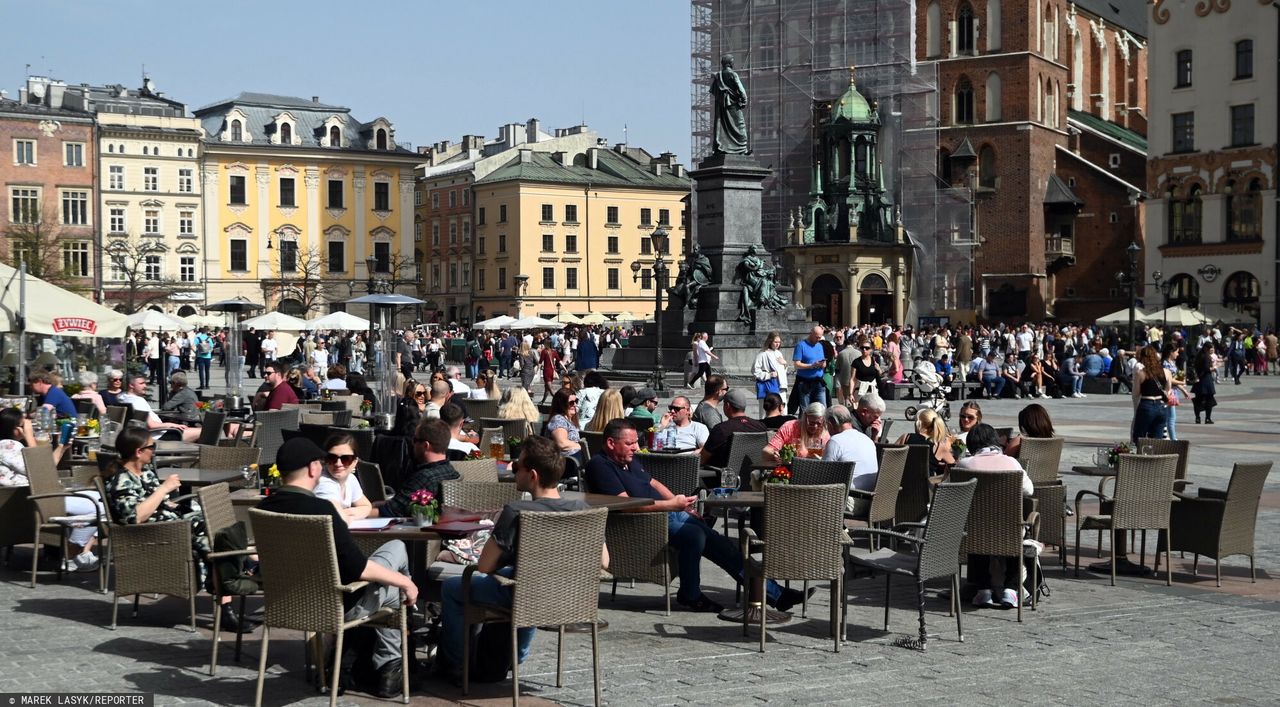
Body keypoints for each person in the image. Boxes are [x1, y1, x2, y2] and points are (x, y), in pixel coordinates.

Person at [586, 419, 807, 613]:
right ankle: (692, 594)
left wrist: (680, 505)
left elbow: (653, 482)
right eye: (629, 443)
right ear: (610, 443)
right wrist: (671, 505)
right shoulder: (600, 466)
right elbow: (626, 507)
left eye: (636, 442)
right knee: (695, 536)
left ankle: (773, 594)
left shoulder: (627, 460)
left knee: (720, 542)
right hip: (641, 522)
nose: (635, 448)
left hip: (665, 513)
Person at [256, 437, 415, 696]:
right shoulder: (323, 510)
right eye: (322, 461)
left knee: (393, 573)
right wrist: (405, 582)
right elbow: (360, 570)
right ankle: (388, 668)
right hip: (339, 605)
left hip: (285, 603)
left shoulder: (264, 508)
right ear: (312, 468)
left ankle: (348, 665)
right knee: (396, 570)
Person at [438, 435, 604, 681]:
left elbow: (484, 566)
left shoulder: (517, 511)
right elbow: (604, 562)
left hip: (523, 593)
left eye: (518, 467)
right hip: (569, 597)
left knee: (453, 587)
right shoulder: (585, 511)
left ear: (533, 475)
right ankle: (515, 657)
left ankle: (455, 664)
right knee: (527, 580)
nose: (514, 471)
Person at [105, 426, 239, 623]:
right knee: (214, 538)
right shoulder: (121, 481)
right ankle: (233, 589)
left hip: (171, 526)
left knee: (218, 524)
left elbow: (154, 503)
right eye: (152, 446)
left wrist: (168, 502)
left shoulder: (145, 472)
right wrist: (164, 489)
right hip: (157, 538)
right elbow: (135, 517)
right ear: (138, 452)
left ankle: (228, 594)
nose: (155, 450)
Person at [0, 408, 94, 568]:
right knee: (96, 505)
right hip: (34, 504)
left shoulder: (11, 446)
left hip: (31, 501)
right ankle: (74, 553)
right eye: (25, 425)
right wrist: (30, 437)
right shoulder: (7, 446)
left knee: (97, 501)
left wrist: (61, 447)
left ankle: (80, 551)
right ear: (16, 430)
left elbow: (46, 468)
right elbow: (40, 471)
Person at [954, 423, 1033, 609]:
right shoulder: (1011, 463)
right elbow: (1029, 490)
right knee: (1014, 526)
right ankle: (1011, 590)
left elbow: (952, 494)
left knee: (975, 525)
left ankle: (983, 590)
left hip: (974, 533)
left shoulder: (965, 464)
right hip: (1009, 531)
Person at [382, 418, 460, 517]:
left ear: (425, 445)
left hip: (408, 530)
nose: (412, 444)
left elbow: (391, 511)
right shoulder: (451, 471)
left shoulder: (425, 478)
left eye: (415, 440)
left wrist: (363, 510)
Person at [821, 404, 880, 513]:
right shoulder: (867, 440)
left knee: (807, 497)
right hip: (873, 501)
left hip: (850, 501)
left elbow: (824, 476)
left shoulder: (836, 441)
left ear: (831, 423)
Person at [117, 374, 201, 442]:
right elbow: (152, 425)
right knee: (203, 432)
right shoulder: (138, 401)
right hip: (158, 437)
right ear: (131, 385)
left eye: (145, 383)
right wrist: (172, 425)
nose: (145, 386)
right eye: (141, 383)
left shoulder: (122, 397)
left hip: (144, 436)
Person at [700, 388, 767, 470]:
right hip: (754, 477)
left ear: (727, 406)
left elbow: (702, 459)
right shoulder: (760, 427)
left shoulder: (721, 430)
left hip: (723, 478)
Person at [315, 432, 373, 522]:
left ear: (355, 462)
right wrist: (353, 514)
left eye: (345, 459)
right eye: (332, 458)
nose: (338, 464)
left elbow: (367, 507)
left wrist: (346, 513)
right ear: (325, 459)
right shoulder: (323, 482)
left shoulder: (350, 479)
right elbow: (337, 518)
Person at [894, 407, 955, 476]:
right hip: (927, 485)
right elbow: (954, 466)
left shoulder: (906, 437)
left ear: (918, 423)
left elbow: (889, 457)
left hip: (902, 484)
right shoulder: (938, 446)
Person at [762, 402, 830, 463]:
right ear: (805, 417)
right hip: (792, 471)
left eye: (819, 423)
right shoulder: (790, 427)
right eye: (811, 423)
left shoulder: (827, 433)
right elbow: (766, 451)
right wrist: (775, 455)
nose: (815, 426)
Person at [1131, 345, 1173, 443]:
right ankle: (1154, 457)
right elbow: (1168, 390)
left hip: (1147, 403)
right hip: (1161, 406)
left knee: (1139, 437)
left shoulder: (1141, 373)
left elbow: (1136, 393)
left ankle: (1141, 457)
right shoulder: (1166, 372)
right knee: (1157, 439)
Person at [709, 53, 749, 155]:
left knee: (723, 126)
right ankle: (742, 149)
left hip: (722, 106)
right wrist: (744, 101)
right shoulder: (733, 74)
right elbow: (741, 89)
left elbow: (714, 91)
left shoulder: (718, 76)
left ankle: (722, 147)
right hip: (733, 105)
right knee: (740, 125)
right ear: (730, 63)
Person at [544, 388, 585, 467]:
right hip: (565, 463)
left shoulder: (569, 420)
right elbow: (561, 443)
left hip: (573, 460)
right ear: (562, 404)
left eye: (576, 401)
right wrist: (581, 446)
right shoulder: (558, 419)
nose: (575, 405)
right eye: (571, 402)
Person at [792, 326, 828, 408]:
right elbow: (797, 364)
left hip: (819, 382)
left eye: (820, 337)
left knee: (822, 408)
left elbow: (823, 360)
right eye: (817, 337)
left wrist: (823, 364)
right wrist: (811, 366)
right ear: (811, 333)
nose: (818, 339)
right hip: (805, 383)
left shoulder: (819, 346)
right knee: (805, 410)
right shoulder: (801, 345)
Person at [1162, 345, 1192, 440]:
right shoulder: (1165, 364)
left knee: (1168, 417)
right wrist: (1181, 382)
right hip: (1168, 392)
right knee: (1171, 418)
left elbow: (1174, 379)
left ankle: (1165, 436)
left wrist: (1183, 390)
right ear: (1171, 352)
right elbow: (1169, 380)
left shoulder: (1172, 363)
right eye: (1176, 352)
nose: (1178, 354)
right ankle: (1173, 440)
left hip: (1173, 392)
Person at [1191, 341, 1219, 424]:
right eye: (1211, 348)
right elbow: (1206, 369)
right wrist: (1214, 368)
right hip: (1206, 380)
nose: (1212, 350)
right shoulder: (1206, 357)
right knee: (1209, 400)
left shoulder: (1199, 355)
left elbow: (1196, 367)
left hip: (1199, 381)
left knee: (1198, 400)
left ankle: (1197, 418)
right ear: (1207, 348)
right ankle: (1207, 418)